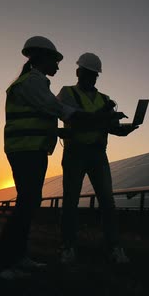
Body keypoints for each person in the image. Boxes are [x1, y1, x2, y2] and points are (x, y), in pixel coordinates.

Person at [0, 37, 117, 280]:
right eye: (55, 60)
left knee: (30, 203)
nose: (58, 65)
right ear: (40, 58)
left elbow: (52, 119)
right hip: (26, 150)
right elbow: (62, 112)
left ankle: (18, 257)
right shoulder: (32, 84)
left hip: (34, 149)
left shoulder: (37, 84)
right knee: (26, 205)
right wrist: (101, 118)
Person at [57, 52, 137, 265]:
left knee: (107, 201)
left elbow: (110, 127)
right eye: (87, 73)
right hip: (75, 153)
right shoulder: (67, 93)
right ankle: (68, 247)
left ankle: (114, 247)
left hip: (98, 154)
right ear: (78, 72)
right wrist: (105, 116)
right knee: (71, 201)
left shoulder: (105, 99)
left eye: (94, 75)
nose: (91, 77)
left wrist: (123, 130)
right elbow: (77, 119)